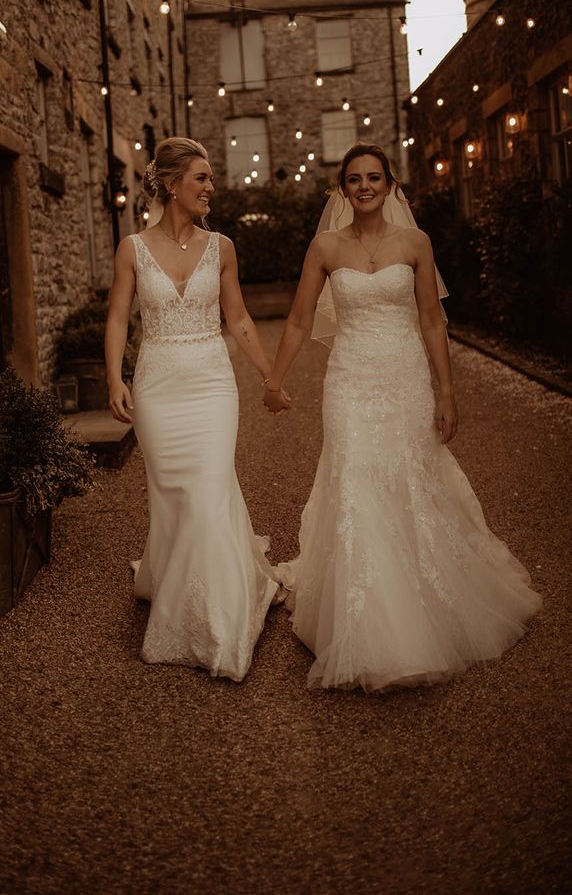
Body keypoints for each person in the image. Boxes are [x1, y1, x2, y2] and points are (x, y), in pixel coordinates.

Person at [263, 142, 542, 692]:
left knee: (410, 480)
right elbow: (297, 321)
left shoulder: (416, 243)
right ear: (341, 189)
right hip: (349, 381)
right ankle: (368, 621)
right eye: (353, 179)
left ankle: (423, 601)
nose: (364, 186)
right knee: (356, 484)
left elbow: (433, 321)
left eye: (374, 177)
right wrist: (274, 378)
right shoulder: (323, 246)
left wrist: (446, 391)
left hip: (405, 378)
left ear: (391, 185)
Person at [106, 137, 281, 681]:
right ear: (173, 183)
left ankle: (221, 625)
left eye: (209, 179)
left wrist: (269, 374)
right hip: (158, 386)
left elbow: (240, 319)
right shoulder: (131, 249)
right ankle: (177, 580)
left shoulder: (222, 247)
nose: (210, 188)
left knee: (208, 488)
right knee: (174, 495)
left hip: (212, 385)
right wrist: (114, 378)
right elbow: (117, 320)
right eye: (202, 178)